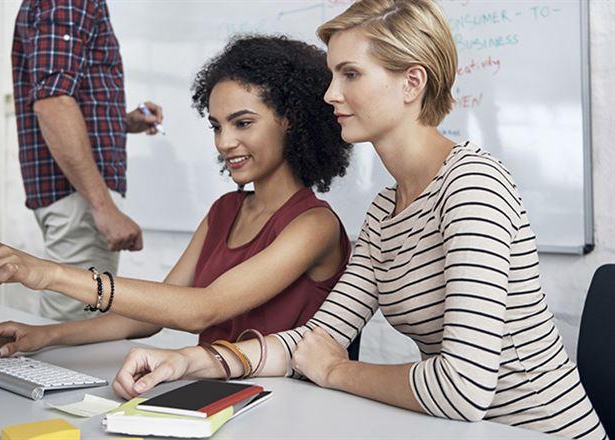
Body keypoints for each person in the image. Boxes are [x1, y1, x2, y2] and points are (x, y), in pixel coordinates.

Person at [108, 2, 606, 439]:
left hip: (537, 432)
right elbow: (315, 339)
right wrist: (195, 361)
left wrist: (336, 372)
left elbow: (461, 388)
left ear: (412, 82)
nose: (329, 95)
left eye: (350, 74)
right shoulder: (387, 209)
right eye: (331, 76)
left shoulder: (473, 189)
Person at [0, 36, 352, 358]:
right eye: (216, 126)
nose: (224, 142)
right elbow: (146, 317)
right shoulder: (225, 210)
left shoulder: (314, 225)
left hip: (282, 405)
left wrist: (48, 273)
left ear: (292, 121)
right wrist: (44, 335)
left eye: (242, 123)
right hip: (211, 392)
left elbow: (203, 309)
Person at [11, 0, 164, 321]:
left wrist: (123, 121)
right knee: (75, 332)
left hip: (74, 199)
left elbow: (63, 101)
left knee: (74, 326)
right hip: (81, 202)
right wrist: (103, 208)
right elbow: (52, 104)